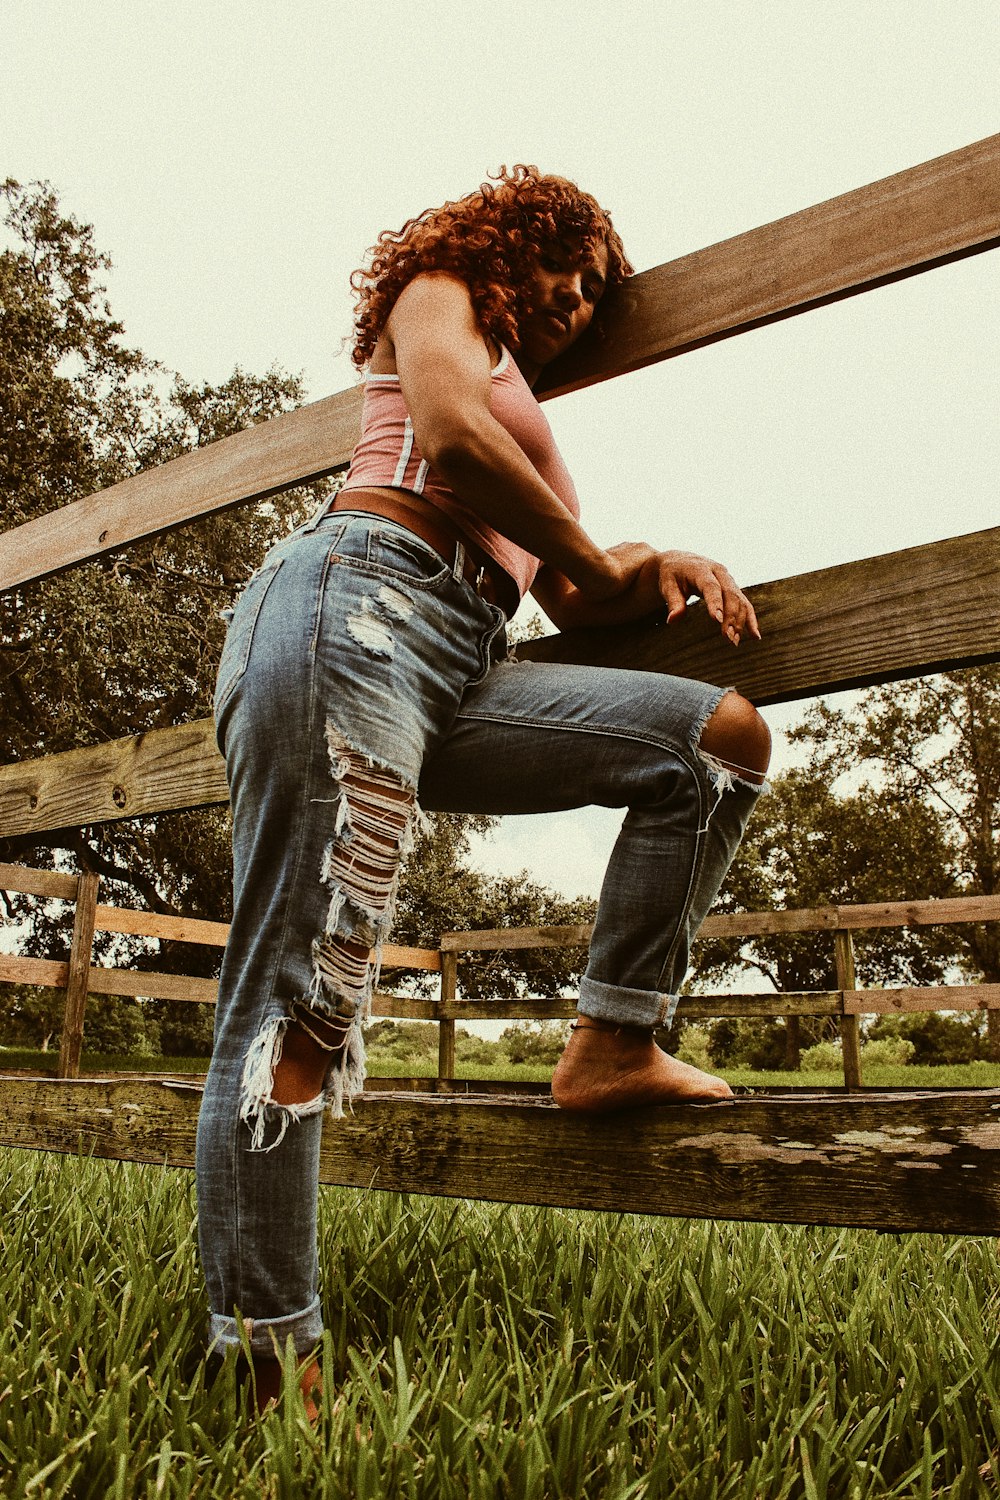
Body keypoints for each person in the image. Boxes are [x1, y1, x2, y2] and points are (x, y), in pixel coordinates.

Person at [195, 165, 771, 1413]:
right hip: (355, 603)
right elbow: (449, 438)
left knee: (714, 742)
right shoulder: (441, 296)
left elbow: (576, 597)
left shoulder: (540, 446)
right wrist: (591, 556)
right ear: (507, 247)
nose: (577, 291)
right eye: (565, 262)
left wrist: (648, 558)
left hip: (462, 655)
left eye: (597, 287)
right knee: (302, 996)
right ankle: (267, 1364)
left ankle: (613, 1040)